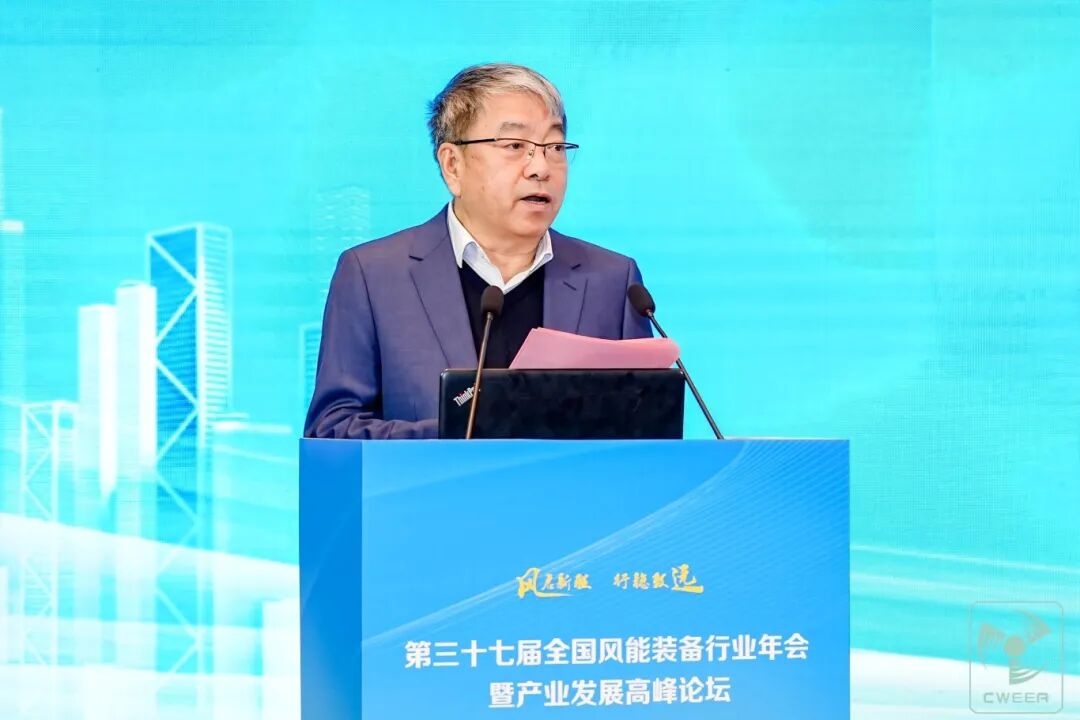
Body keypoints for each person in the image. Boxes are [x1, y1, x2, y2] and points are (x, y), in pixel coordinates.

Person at [304, 63, 651, 439]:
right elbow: (333, 432)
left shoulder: (613, 282)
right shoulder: (373, 276)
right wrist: (468, 435)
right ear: (453, 165)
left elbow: (649, 429)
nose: (540, 167)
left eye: (555, 147)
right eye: (515, 146)